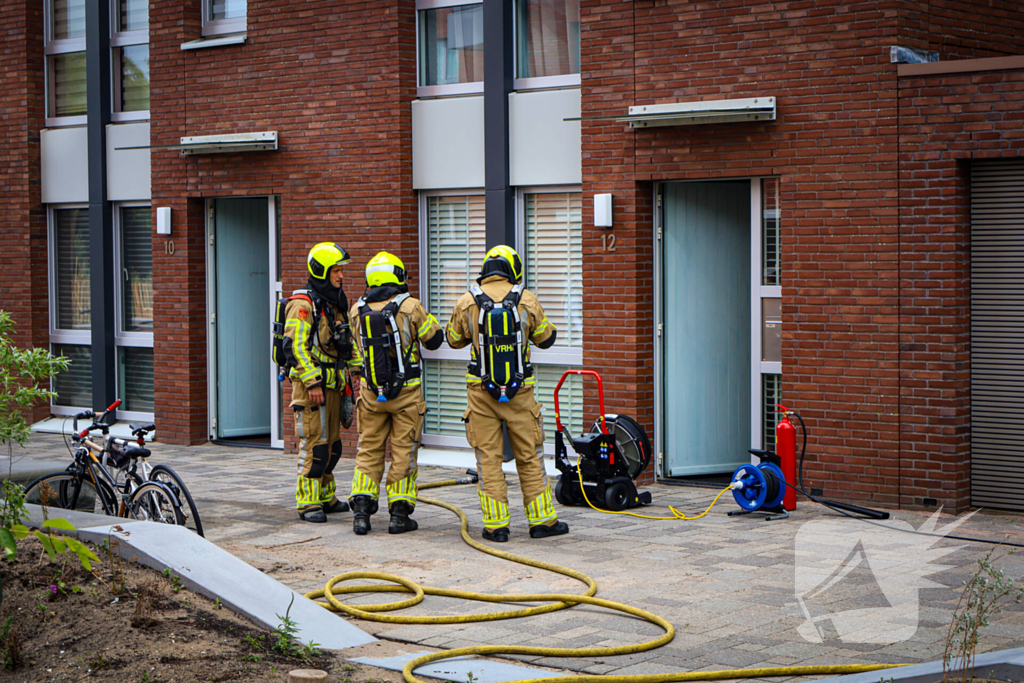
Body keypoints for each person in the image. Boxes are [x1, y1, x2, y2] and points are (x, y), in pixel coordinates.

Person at [446, 245, 568, 542]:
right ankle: (542, 522)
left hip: (480, 391)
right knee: (529, 455)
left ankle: (495, 526)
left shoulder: (467, 300)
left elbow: (452, 339)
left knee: (487, 459)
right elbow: (546, 338)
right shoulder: (526, 299)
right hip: (520, 392)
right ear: (513, 269)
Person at [347, 251, 444, 535]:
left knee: (368, 449)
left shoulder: (357, 309)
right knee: (404, 451)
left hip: (371, 392)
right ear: (397, 276)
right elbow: (434, 339)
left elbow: (356, 350)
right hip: (407, 393)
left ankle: (362, 513)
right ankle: (399, 515)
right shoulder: (411, 306)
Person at [283, 242, 354, 523]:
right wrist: (311, 382)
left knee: (334, 446)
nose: (341, 276)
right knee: (315, 446)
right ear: (321, 271)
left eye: (341, 270)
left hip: (334, 385)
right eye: (336, 270)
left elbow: (346, 344)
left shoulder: (334, 303)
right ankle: (308, 502)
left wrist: (359, 373)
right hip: (312, 389)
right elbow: (295, 347)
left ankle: (326, 495)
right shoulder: (303, 305)